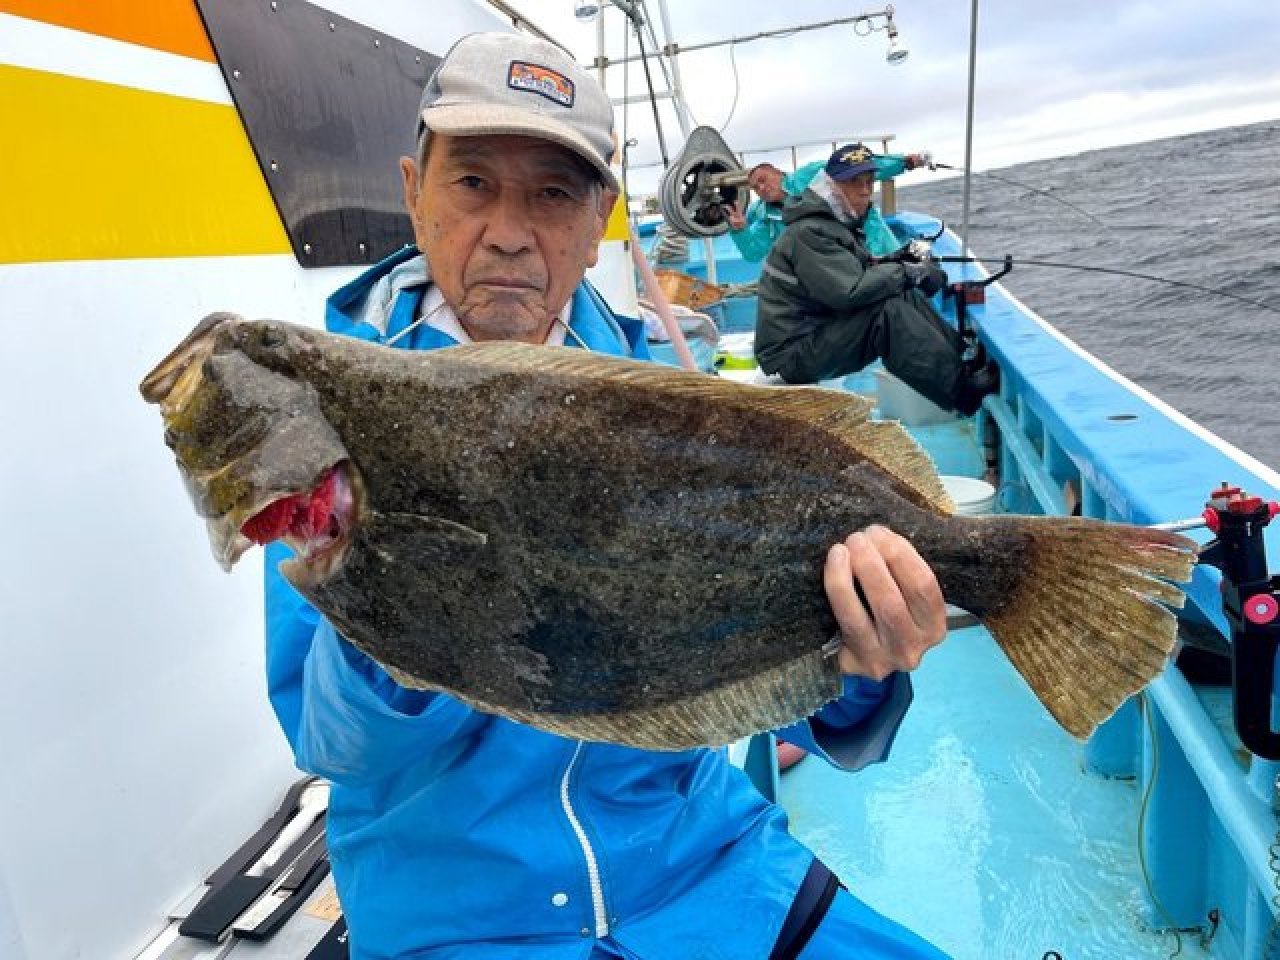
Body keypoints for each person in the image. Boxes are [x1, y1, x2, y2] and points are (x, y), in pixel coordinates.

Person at [265, 32, 953, 960]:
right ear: (413, 195)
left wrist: (860, 665)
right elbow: (331, 744)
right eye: (473, 183)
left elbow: (798, 712)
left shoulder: (673, 393)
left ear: (600, 223)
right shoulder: (328, 421)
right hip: (461, 917)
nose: (509, 230)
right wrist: (401, 607)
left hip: (704, 868)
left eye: (552, 193)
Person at [753, 143, 998, 413]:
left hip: (814, 334)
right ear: (831, 185)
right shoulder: (809, 233)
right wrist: (906, 271)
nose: (865, 190)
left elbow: (859, 272)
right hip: (790, 354)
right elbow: (848, 292)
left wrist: (901, 261)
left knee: (898, 290)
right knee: (887, 312)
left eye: (869, 181)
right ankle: (962, 392)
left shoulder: (832, 223)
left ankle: (960, 357)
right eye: (854, 182)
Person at [726, 152, 928, 262]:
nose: (761, 188)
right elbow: (753, 254)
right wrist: (740, 231)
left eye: (763, 179)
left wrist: (904, 163)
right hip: (830, 261)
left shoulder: (811, 173)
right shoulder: (765, 217)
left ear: (779, 173)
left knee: (898, 274)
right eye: (755, 187)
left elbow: (856, 164)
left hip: (869, 235)